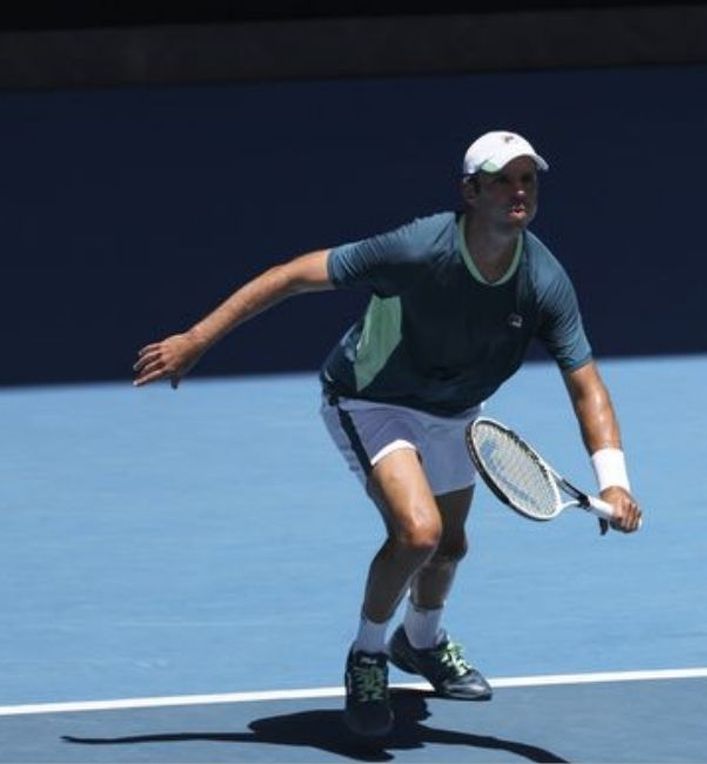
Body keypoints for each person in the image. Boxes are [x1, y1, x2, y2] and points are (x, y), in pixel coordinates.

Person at [133, 130, 644, 737]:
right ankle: (368, 655)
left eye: (528, 179)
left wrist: (614, 483)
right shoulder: (418, 248)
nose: (519, 191)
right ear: (471, 191)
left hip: (455, 408)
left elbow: (586, 385)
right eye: (504, 179)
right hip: (373, 399)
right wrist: (198, 339)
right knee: (419, 533)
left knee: (450, 548)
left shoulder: (544, 279)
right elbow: (294, 274)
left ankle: (420, 642)